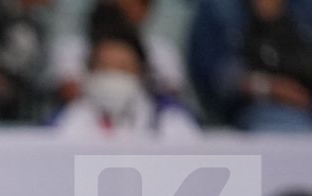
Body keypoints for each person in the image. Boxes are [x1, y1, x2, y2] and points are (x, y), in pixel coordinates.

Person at [189, 0, 312, 130]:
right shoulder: (219, 6)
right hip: (269, 106)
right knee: (285, 130)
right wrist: (267, 87)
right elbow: (212, 77)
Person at [53, 24, 201, 135]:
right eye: (105, 67)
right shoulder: (68, 117)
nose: (113, 75)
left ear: (141, 72)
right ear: (89, 71)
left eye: (122, 67)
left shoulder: (170, 118)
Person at [50, 0, 187, 100]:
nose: (124, 8)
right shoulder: (73, 48)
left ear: (146, 9)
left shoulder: (162, 51)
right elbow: (69, 93)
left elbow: (171, 96)